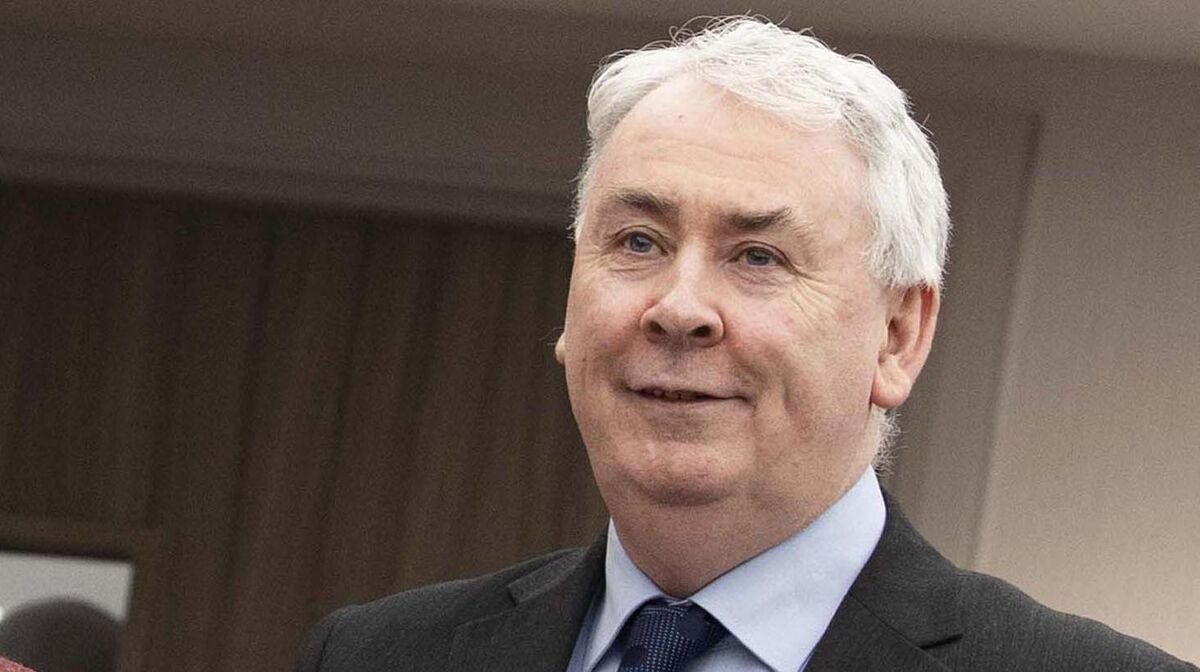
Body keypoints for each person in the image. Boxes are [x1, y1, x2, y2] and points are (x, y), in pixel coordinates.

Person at [295, 17, 1196, 672]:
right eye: (638, 242)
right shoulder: (377, 654)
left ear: (897, 336)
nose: (679, 308)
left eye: (758, 256)